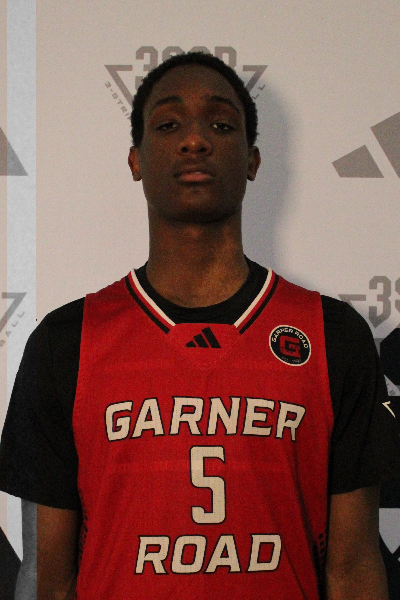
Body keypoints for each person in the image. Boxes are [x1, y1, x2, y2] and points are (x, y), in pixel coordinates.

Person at [0, 51, 399, 600]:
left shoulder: (333, 337)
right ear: (136, 160)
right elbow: (47, 579)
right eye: (168, 125)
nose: (194, 140)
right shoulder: (66, 342)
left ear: (253, 159)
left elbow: (353, 571)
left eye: (221, 125)